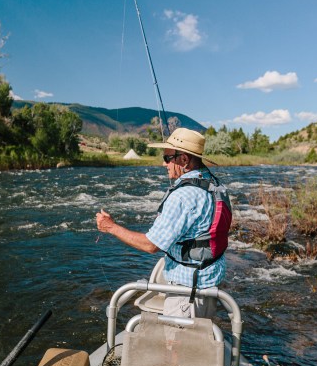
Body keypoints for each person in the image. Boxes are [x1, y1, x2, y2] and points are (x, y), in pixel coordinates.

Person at [95, 128, 231, 318]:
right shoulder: (215, 184)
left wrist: (110, 227)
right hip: (208, 283)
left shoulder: (184, 196)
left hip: (187, 293)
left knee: (176, 346)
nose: (163, 163)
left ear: (184, 160)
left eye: (168, 158)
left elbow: (151, 245)